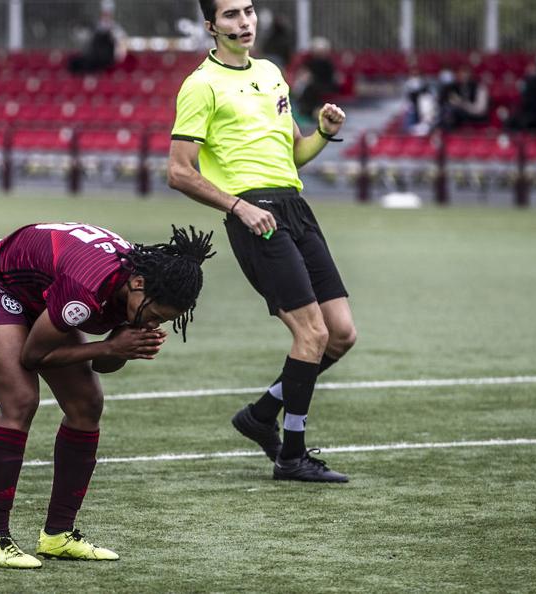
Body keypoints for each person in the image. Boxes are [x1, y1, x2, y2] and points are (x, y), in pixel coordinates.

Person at [168, 0, 357, 483]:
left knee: (339, 334)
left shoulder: (273, 73)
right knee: (311, 335)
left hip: (295, 207)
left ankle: (259, 415)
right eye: (231, 15)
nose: (244, 22)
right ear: (211, 26)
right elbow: (178, 172)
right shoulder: (200, 85)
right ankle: (292, 455)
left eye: (249, 11)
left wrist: (324, 133)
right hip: (255, 215)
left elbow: (295, 155)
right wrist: (238, 206)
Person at [0, 222, 215, 568]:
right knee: (20, 401)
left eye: (163, 321)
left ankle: (58, 535)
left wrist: (124, 348)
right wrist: (110, 344)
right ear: (138, 284)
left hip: (43, 294)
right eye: (153, 316)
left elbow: (104, 366)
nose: (153, 325)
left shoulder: (138, 286)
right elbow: (32, 357)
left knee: (87, 404)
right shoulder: (90, 286)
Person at [438, 66, 489, 131]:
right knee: (447, 110)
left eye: (466, 76)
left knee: (451, 111)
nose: (464, 78)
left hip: (475, 115)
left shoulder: (479, 88)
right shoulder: (454, 88)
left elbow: (480, 109)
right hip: (459, 115)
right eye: (461, 76)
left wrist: (463, 104)